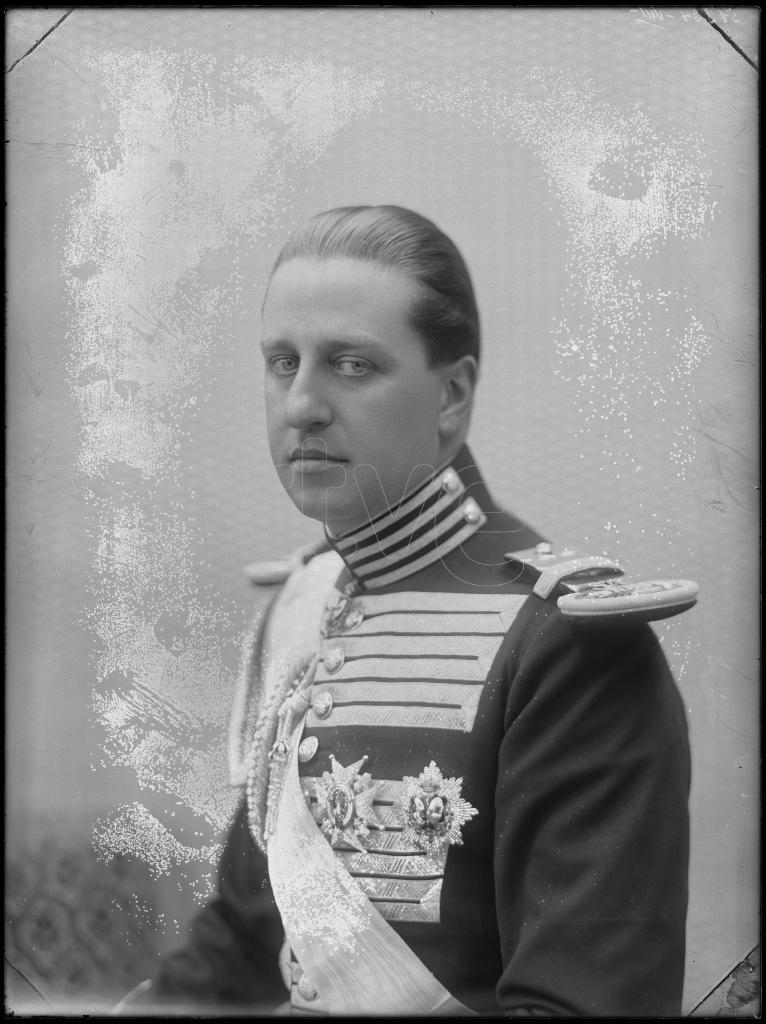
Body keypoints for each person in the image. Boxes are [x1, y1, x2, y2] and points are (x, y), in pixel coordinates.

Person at [117, 206, 693, 1016]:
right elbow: (241, 945)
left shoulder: (566, 645)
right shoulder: (301, 608)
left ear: (451, 395)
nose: (301, 404)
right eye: (283, 362)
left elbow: (582, 1001)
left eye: (351, 365)